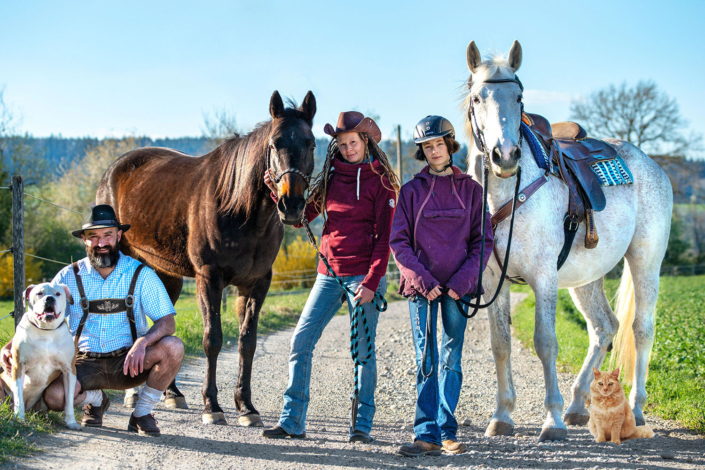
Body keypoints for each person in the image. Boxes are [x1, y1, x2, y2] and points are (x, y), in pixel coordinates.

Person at [261, 111, 400, 443]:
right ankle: (292, 421)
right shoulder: (332, 175)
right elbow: (301, 217)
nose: (348, 149)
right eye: (341, 143)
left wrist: (370, 282)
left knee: (363, 353)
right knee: (300, 341)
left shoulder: (383, 182)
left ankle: (361, 427)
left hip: (363, 277)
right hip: (328, 273)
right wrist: (277, 192)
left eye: (352, 142)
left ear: (365, 141)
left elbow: (385, 241)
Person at [0, 204, 184, 437]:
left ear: (119, 236)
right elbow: (43, 317)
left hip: (129, 361)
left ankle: (142, 413)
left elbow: (167, 322)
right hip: (84, 363)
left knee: (173, 347)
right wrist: (11, 345)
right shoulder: (68, 277)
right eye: (93, 237)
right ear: (84, 241)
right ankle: (96, 400)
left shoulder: (140, 274)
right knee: (55, 398)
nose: (101, 243)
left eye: (108, 235)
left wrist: (143, 342)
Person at [390, 116, 494, 456]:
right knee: (426, 358)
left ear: (450, 145)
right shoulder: (411, 191)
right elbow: (399, 242)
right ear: (422, 151)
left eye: (439, 144)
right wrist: (423, 280)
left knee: (452, 358)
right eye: (427, 146)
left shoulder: (472, 191)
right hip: (422, 289)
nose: (434, 151)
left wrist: (461, 283)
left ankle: (447, 432)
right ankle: (425, 434)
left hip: (456, 290)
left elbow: (483, 242)